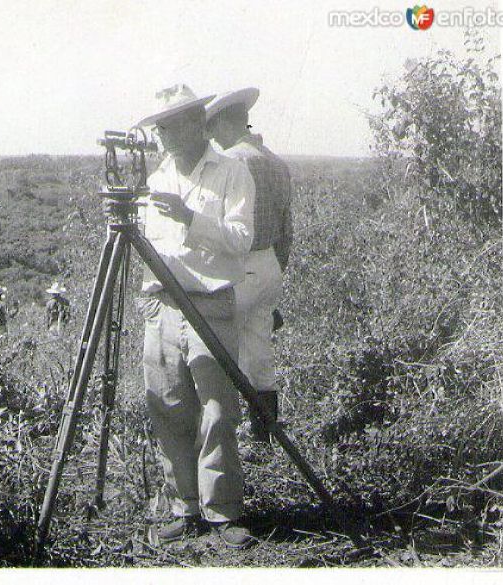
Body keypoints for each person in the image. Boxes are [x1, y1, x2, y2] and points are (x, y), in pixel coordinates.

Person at [128, 84, 256, 548]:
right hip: (162, 302)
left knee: (217, 408)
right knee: (167, 405)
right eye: (157, 126)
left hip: (210, 301)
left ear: (193, 123)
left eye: (166, 125)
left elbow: (241, 239)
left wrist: (190, 218)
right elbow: (147, 244)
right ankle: (183, 507)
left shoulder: (232, 171)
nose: (160, 134)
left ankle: (222, 514)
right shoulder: (158, 175)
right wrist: (147, 295)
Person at [205, 88, 293, 442]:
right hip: (269, 263)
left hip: (239, 268)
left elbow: (218, 226)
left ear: (226, 123)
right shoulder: (274, 161)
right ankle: (265, 440)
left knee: (216, 353)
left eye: (213, 127)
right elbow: (287, 230)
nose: (210, 135)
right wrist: (274, 271)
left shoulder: (232, 163)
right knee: (259, 358)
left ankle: (220, 441)